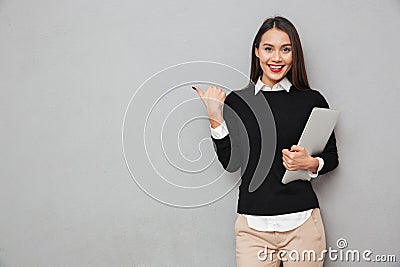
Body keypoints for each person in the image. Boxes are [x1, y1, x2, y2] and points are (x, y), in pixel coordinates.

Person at [193, 16, 338, 266]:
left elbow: (332, 157)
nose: (277, 58)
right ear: (257, 51)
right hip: (253, 228)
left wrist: (310, 162)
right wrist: (215, 118)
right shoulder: (238, 102)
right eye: (269, 48)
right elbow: (232, 163)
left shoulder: (311, 100)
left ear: (295, 54)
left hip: (302, 225)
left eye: (286, 49)